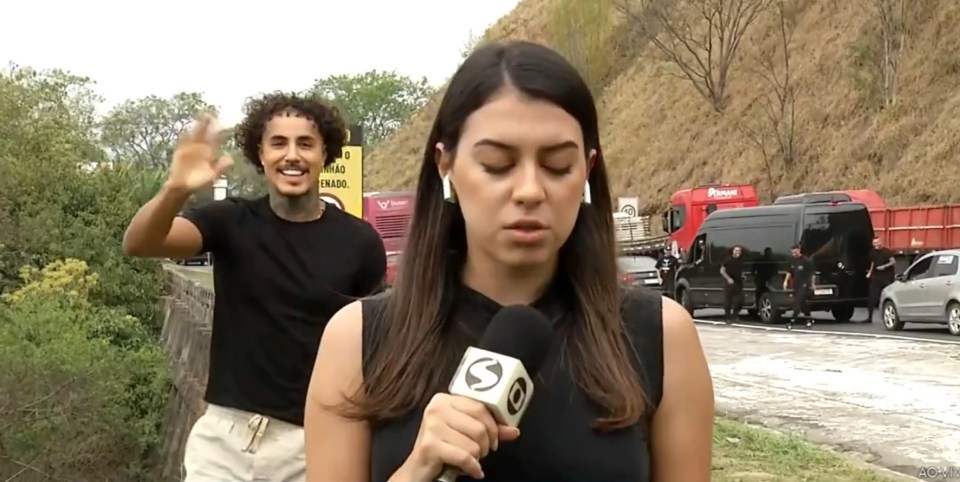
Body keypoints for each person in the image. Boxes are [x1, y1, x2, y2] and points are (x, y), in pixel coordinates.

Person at [303, 41, 714, 482]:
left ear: (588, 172)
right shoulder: (357, 340)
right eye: (497, 165)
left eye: (557, 166)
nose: (530, 191)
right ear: (446, 166)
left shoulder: (661, 336)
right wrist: (417, 470)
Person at [122, 93, 387, 482]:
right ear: (260, 153)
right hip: (223, 442)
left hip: (309, 444)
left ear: (325, 153)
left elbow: (376, 348)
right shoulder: (230, 221)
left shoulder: (360, 243)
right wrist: (176, 188)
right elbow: (141, 243)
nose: (292, 155)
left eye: (306, 143)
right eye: (278, 143)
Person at [783, 244, 816, 330]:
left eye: (795, 252)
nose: (794, 254)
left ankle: (791, 322)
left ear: (799, 250)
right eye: (792, 253)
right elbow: (789, 272)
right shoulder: (792, 260)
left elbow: (812, 274)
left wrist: (812, 284)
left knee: (797, 302)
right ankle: (809, 320)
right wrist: (786, 281)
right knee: (803, 303)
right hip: (796, 285)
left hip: (804, 284)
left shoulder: (806, 261)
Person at [865, 236, 895, 323]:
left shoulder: (887, 252)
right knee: (872, 297)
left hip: (887, 277)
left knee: (890, 296)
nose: (876, 244)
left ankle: (890, 316)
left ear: (881, 242)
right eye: (874, 243)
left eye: (877, 242)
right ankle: (869, 317)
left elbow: (893, 262)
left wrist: (884, 266)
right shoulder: (872, 252)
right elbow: (873, 262)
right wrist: (870, 272)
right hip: (877, 277)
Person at [720, 245, 744, 324]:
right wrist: (728, 278)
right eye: (736, 251)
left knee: (739, 300)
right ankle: (727, 318)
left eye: (739, 251)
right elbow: (722, 270)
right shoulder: (728, 260)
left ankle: (735, 315)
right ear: (733, 251)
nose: (738, 253)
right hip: (729, 283)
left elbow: (739, 270)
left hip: (738, 282)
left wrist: (743, 276)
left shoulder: (740, 261)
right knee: (728, 301)